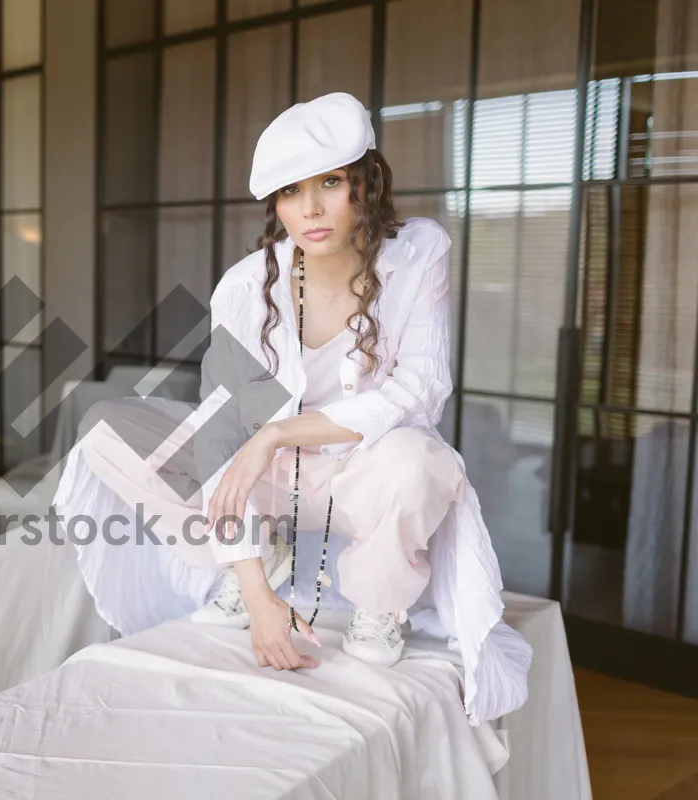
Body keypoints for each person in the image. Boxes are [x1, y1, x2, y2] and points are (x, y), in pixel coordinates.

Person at [52, 92, 530, 726]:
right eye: (289, 192)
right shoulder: (249, 286)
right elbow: (223, 435)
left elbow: (420, 389)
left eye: (330, 183)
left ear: (365, 180)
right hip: (274, 482)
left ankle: (378, 600)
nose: (309, 209)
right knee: (107, 428)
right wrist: (256, 594)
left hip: (365, 469)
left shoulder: (419, 254)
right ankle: (266, 549)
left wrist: (275, 433)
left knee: (422, 461)